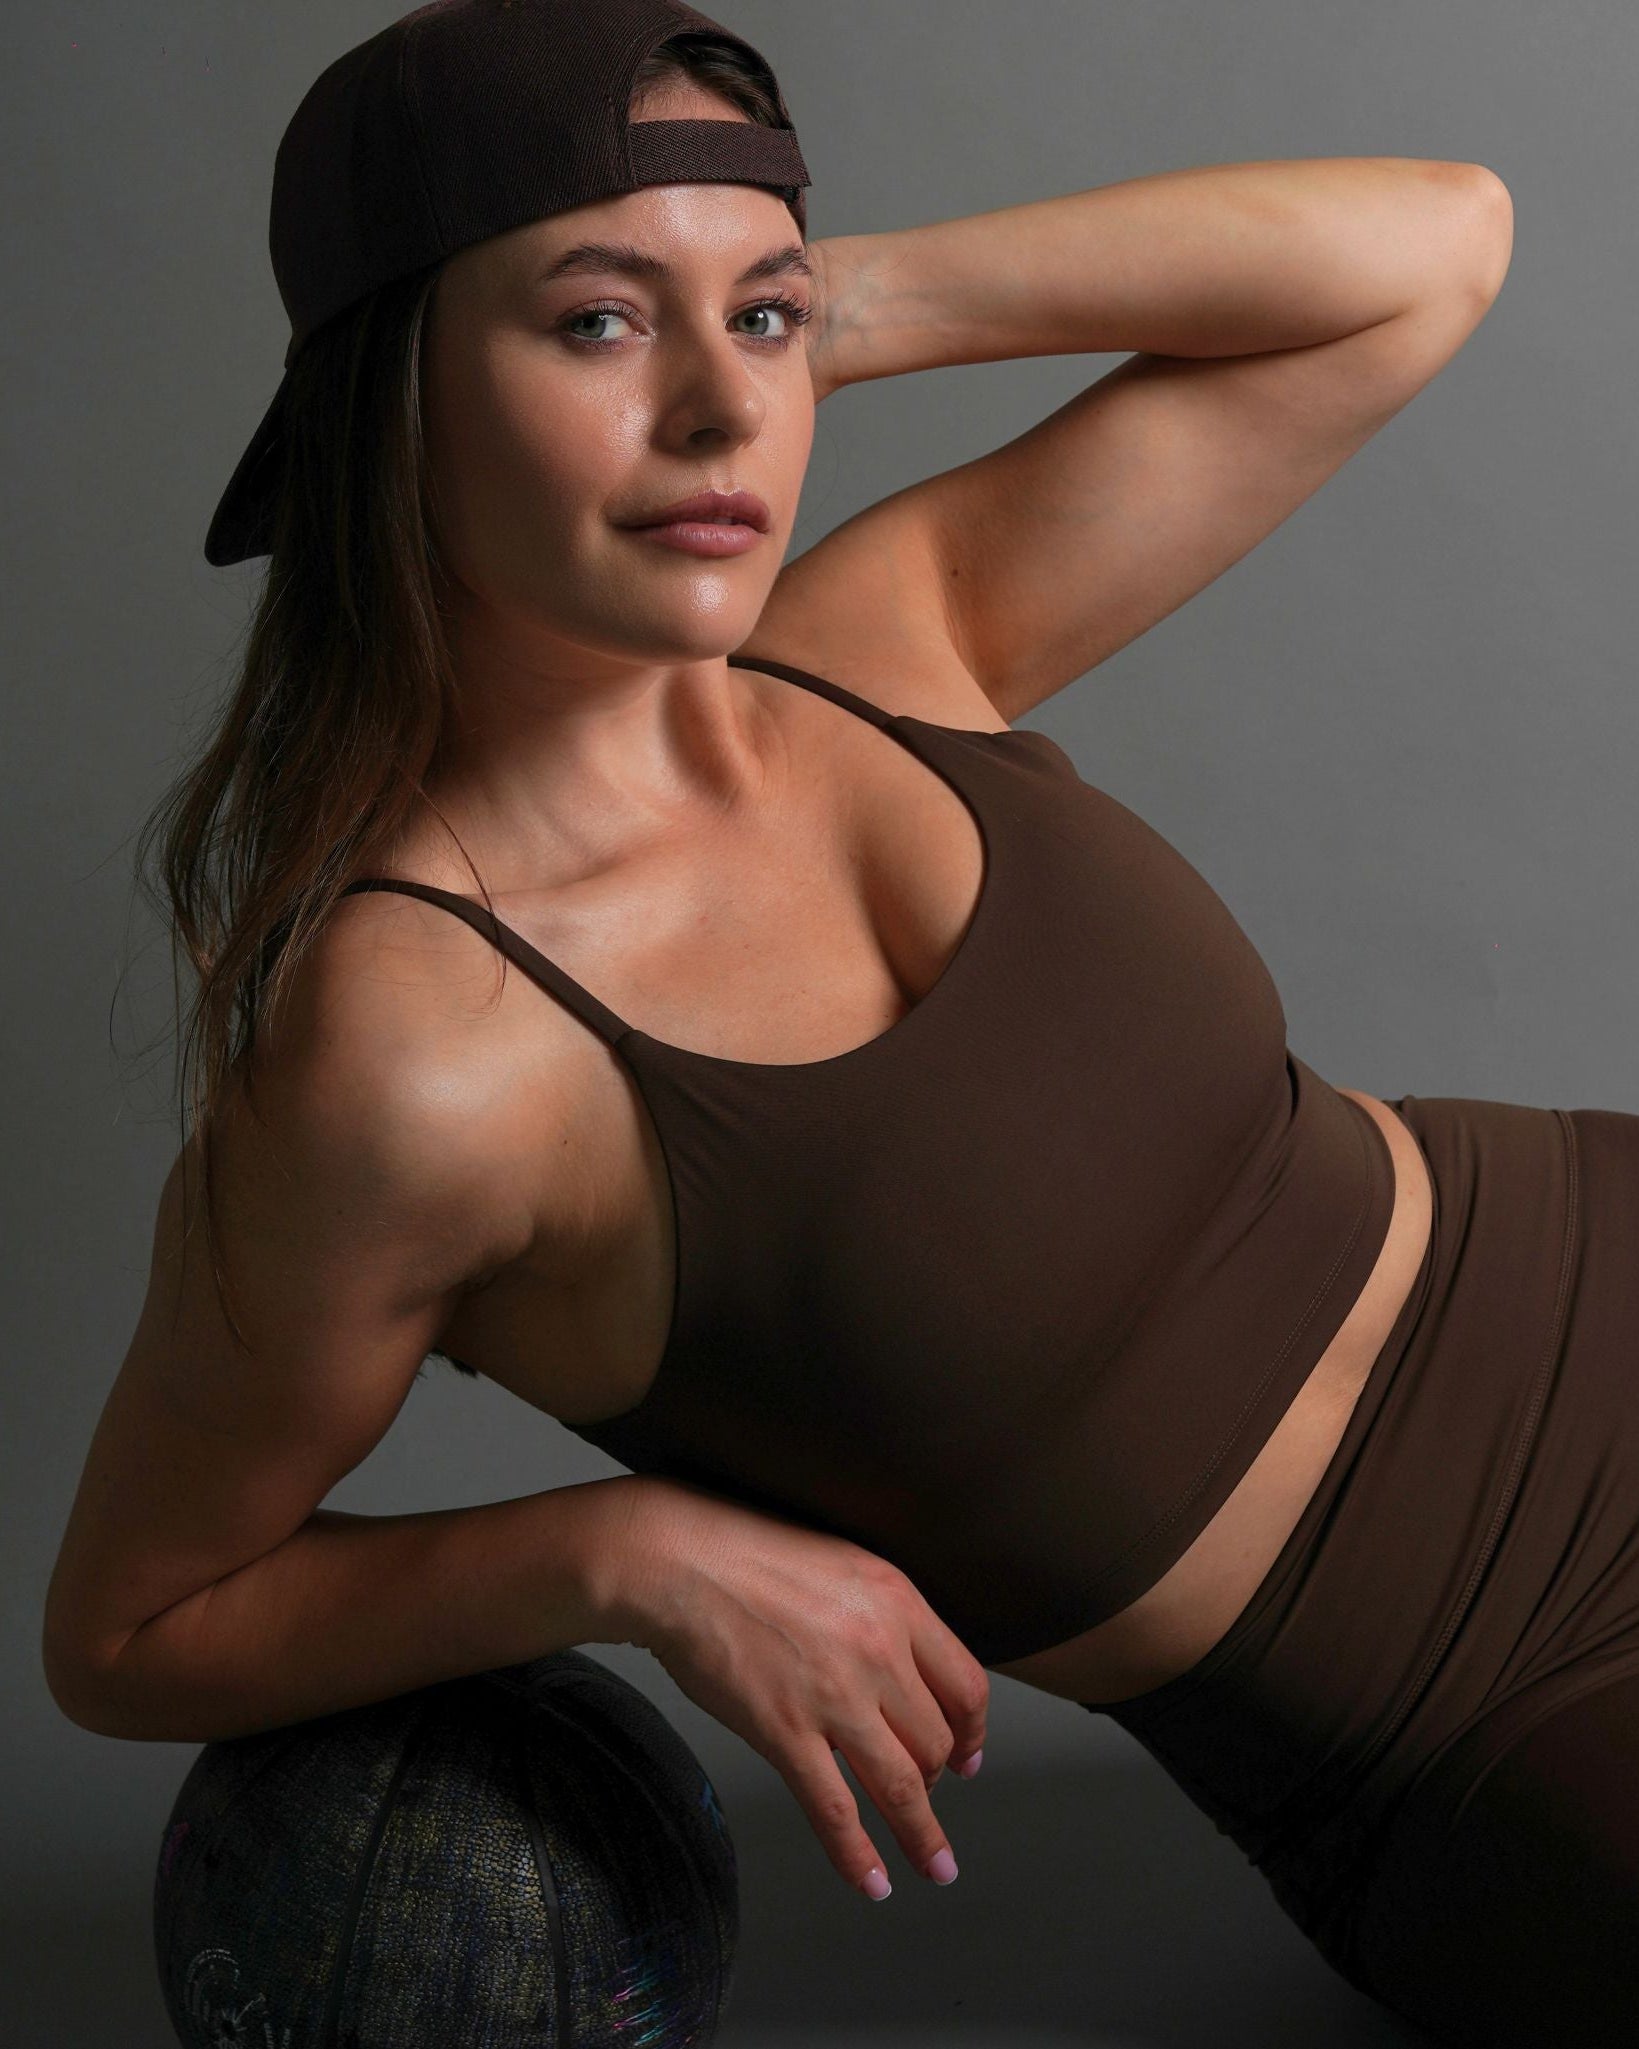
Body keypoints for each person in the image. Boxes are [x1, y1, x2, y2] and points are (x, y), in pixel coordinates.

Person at [40, 4, 1639, 2041]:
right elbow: (132, 1623)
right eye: (596, 324)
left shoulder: (884, 640)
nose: (721, 412)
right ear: (392, 391)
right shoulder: (417, 1052)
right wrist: (616, 1548)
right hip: (1482, 1696)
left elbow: (1435, 241)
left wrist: (797, 299)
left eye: (764, 323)